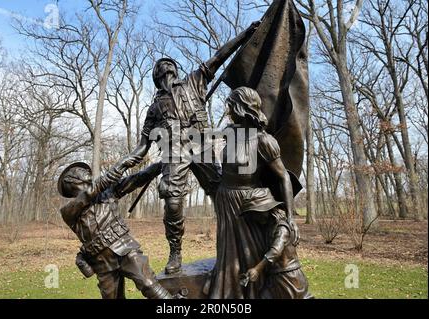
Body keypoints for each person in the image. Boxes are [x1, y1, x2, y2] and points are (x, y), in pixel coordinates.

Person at [127, 22, 260, 274]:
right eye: (161, 67)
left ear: (175, 69)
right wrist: (122, 167)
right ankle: (175, 251)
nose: (166, 68)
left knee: (222, 195)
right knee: (173, 203)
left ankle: (234, 245)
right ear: (157, 77)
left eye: (168, 65)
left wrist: (245, 34)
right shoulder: (154, 108)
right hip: (174, 154)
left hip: (201, 145)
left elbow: (220, 56)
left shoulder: (194, 82)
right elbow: (142, 146)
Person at [206, 87, 301, 298]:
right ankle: (227, 294)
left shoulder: (263, 141)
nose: (228, 110)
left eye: (231, 105)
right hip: (225, 200)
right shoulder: (229, 135)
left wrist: (291, 217)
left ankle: (252, 294)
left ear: (241, 108)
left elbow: (283, 177)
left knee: (249, 253)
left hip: (247, 205)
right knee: (227, 254)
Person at [57, 158, 173, 299]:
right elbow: (90, 192)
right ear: (70, 180)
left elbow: (136, 179)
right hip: (102, 262)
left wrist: (161, 164)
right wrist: (123, 163)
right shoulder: (68, 210)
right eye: (80, 169)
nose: (86, 170)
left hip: (124, 248)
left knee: (148, 283)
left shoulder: (108, 192)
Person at [242, 208, 312, 299]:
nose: (256, 217)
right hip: (275, 278)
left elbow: (275, 251)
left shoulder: (282, 228)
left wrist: (257, 269)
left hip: (289, 277)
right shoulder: (269, 227)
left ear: (267, 211)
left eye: (258, 213)